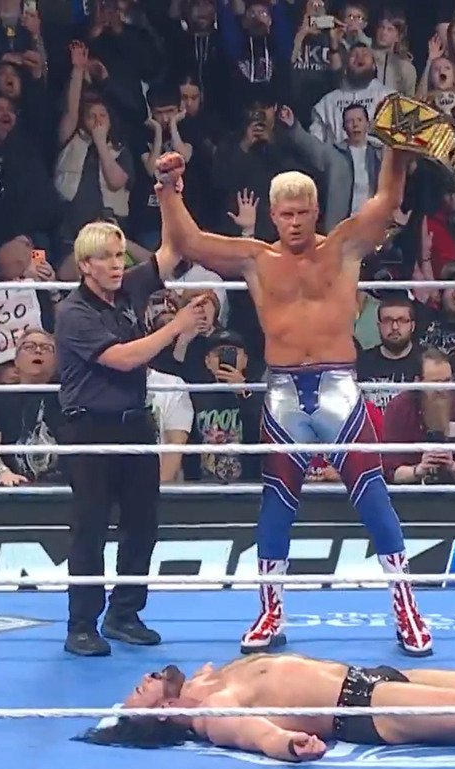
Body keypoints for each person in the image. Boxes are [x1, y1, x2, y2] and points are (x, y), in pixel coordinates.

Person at [152, 138, 435, 656]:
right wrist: (169, 189)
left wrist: (396, 153)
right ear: (272, 214)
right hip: (283, 393)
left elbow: (385, 202)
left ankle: (407, 608)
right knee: (277, 503)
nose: (296, 222)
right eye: (286, 214)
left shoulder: (344, 246)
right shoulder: (255, 260)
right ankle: (270, 612)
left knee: (373, 499)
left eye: (303, 212)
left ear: (316, 210)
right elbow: (190, 242)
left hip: (339, 391)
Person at [54, 222, 210, 657]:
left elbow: (171, 251)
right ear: (85, 265)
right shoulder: (73, 312)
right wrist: (177, 326)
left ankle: (124, 614)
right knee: (90, 528)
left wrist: (168, 193)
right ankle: (81, 625)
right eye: (104, 257)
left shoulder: (128, 289)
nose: (115, 264)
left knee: (142, 523)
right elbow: (123, 359)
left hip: (136, 424)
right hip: (90, 429)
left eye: (118, 255)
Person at [84, 655, 455, 762]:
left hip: (367, 678)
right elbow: (254, 734)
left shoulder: (207, 679)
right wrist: (288, 745)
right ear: (157, 716)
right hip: (359, 707)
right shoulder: (212, 713)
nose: (144, 678)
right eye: (138, 691)